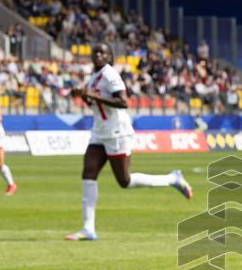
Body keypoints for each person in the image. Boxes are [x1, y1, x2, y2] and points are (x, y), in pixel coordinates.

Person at [64, 43, 193, 241]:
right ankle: (88, 228)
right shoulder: (94, 77)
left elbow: (123, 102)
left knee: (125, 181)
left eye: (103, 52)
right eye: (95, 52)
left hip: (117, 132)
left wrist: (91, 95)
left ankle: (172, 179)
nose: (98, 55)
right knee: (88, 173)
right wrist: (82, 96)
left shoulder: (110, 74)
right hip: (99, 131)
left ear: (109, 56)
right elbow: (96, 102)